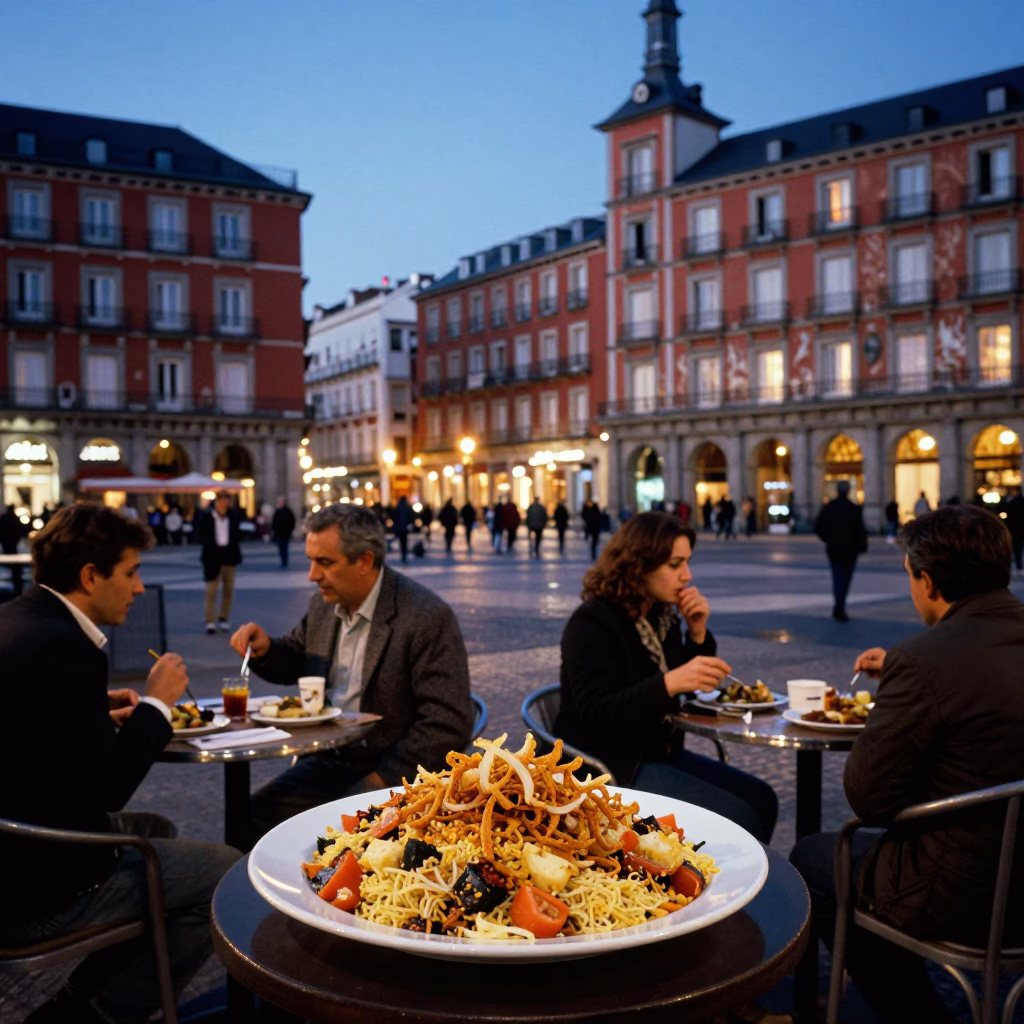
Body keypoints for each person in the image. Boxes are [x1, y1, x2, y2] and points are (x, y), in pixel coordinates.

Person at [0, 504, 239, 1024]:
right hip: (37, 883)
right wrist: (157, 704)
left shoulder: (19, 619)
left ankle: (108, 981)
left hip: (19, 842)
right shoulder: (63, 645)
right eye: (130, 573)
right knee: (227, 872)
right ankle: (97, 1012)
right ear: (90, 576)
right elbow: (106, 789)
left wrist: (90, 707)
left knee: (157, 831)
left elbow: (31, 717)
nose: (137, 588)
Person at [790, 505, 1024, 1023]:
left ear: (929, 581)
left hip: (971, 896)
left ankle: (915, 1013)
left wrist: (909, 673)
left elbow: (869, 798)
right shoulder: (932, 655)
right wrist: (904, 664)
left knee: (812, 857)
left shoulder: (926, 659)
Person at [229, 503, 473, 845]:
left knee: (323, 835)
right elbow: (302, 659)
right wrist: (267, 649)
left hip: (391, 767)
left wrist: (383, 778)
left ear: (364, 561)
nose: (312, 575)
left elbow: (447, 720)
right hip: (330, 758)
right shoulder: (326, 604)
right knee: (251, 818)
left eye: (325, 563)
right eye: (311, 560)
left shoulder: (424, 616)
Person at [555, 512, 777, 842]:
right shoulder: (592, 622)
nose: (686, 576)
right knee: (740, 817)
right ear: (638, 565)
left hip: (658, 751)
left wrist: (698, 633)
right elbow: (597, 713)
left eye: (687, 563)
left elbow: (690, 683)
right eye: (675, 565)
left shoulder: (659, 616)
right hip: (611, 766)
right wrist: (669, 682)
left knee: (763, 800)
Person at [814, 480, 867, 621]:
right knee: (846, 578)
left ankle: (839, 606)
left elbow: (818, 527)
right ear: (848, 491)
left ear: (837, 491)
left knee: (837, 578)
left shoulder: (829, 507)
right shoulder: (854, 508)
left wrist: (828, 539)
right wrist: (862, 546)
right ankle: (840, 607)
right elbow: (860, 530)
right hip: (851, 550)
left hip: (834, 548)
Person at [197, 489, 243, 634]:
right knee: (211, 590)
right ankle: (210, 621)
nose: (225, 503)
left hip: (229, 556)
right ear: (217, 501)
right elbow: (200, 534)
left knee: (228, 589)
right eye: (222, 500)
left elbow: (236, 534)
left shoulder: (233, 517)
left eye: (227, 500)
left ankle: (224, 618)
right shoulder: (207, 517)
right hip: (213, 557)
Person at [271, 495, 297, 569]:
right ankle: (283, 560)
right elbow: (274, 521)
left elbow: (292, 520)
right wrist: (273, 530)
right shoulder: (278, 511)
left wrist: (290, 529)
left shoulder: (288, 511)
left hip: (286, 533)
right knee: (280, 547)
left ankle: (284, 561)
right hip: (279, 532)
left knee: (284, 547)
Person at [1004, 485, 1024, 573]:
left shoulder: (1012, 503)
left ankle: (1018, 566)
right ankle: (1018, 566)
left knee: (1017, 548)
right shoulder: (1014, 502)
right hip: (1018, 528)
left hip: (1015, 528)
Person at [391, 494, 415, 564]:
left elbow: (394, 517)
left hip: (399, 527)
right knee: (404, 541)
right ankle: (404, 554)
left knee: (402, 541)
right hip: (405, 527)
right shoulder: (407, 507)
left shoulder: (398, 507)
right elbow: (411, 517)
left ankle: (403, 554)